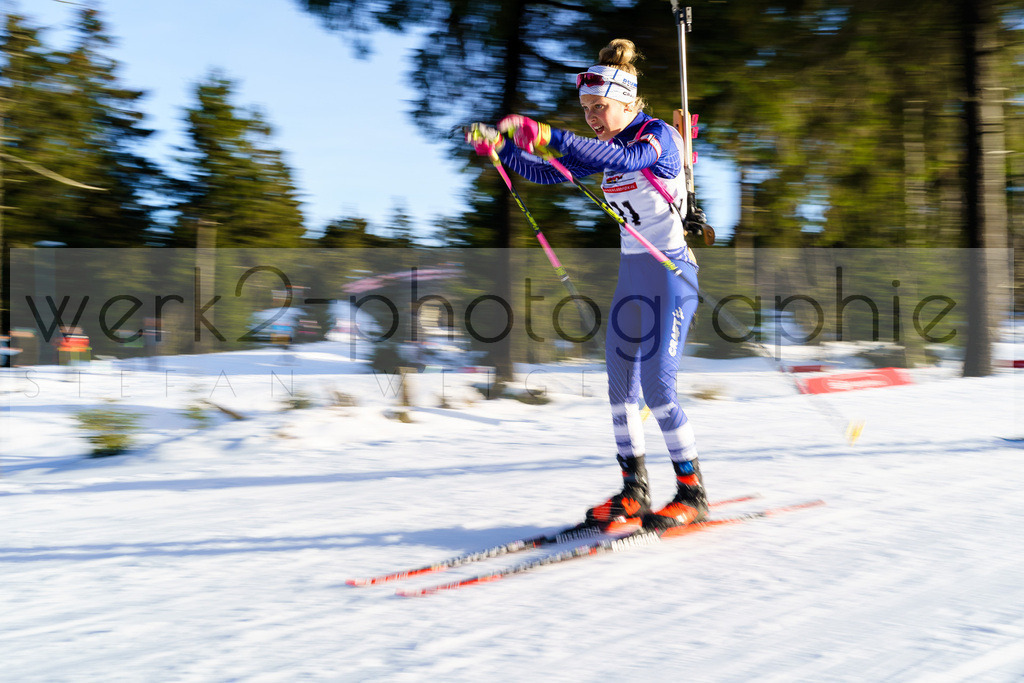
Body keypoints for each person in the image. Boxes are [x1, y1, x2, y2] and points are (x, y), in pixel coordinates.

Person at [467, 39, 707, 531]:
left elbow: (616, 160)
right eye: (586, 110)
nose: (593, 117)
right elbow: (547, 172)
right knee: (620, 385)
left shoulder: (658, 138)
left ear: (627, 102)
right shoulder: (606, 145)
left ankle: (692, 491)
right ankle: (633, 491)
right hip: (633, 276)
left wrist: (550, 133)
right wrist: (504, 149)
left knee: (659, 388)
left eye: (600, 108)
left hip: (671, 275)